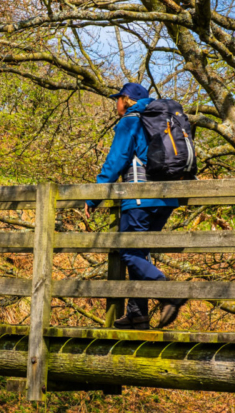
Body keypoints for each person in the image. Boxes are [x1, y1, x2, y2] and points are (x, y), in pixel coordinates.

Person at [84, 83, 185, 330]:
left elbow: (116, 160)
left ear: (126, 100)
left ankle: (168, 292)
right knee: (140, 254)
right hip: (166, 199)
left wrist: (94, 197)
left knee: (128, 252)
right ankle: (137, 313)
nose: (115, 103)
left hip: (140, 197)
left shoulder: (131, 120)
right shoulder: (162, 119)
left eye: (117, 99)